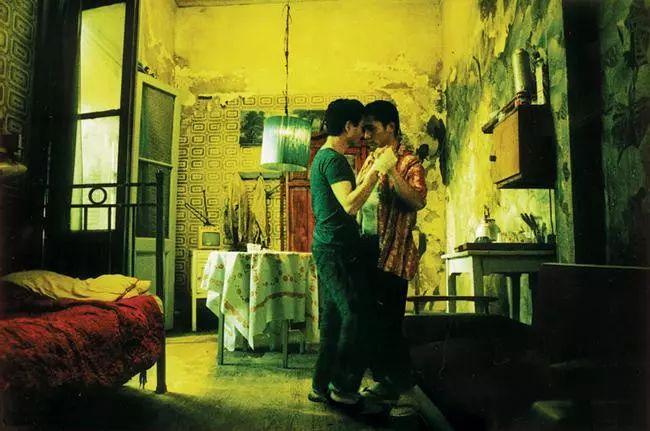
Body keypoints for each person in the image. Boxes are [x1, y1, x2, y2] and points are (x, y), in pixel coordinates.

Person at [308, 99, 383, 407]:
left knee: (333, 320)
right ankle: (342, 385)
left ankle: (319, 386)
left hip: (330, 247)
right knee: (355, 313)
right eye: (360, 127)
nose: (363, 134)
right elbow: (350, 205)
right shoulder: (335, 160)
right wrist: (377, 172)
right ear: (348, 126)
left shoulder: (323, 157)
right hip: (335, 249)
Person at [356, 100, 427, 404]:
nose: (366, 135)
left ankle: (397, 386)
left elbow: (418, 200)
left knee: (389, 321)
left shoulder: (410, 162)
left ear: (390, 128)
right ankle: (385, 382)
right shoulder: (370, 159)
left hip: (393, 251)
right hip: (367, 249)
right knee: (371, 319)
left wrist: (392, 172)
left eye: (371, 129)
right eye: (364, 130)